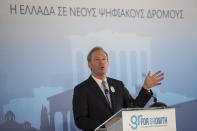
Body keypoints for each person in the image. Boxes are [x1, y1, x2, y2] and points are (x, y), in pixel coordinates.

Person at [72, 46, 164, 131]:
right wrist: (104, 125)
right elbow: (80, 120)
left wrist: (146, 88)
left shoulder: (118, 85)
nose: (101, 62)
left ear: (107, 63)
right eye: (97, 59)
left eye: (104, 59)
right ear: (89, 64)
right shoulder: (82, 89)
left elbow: (133, 108)